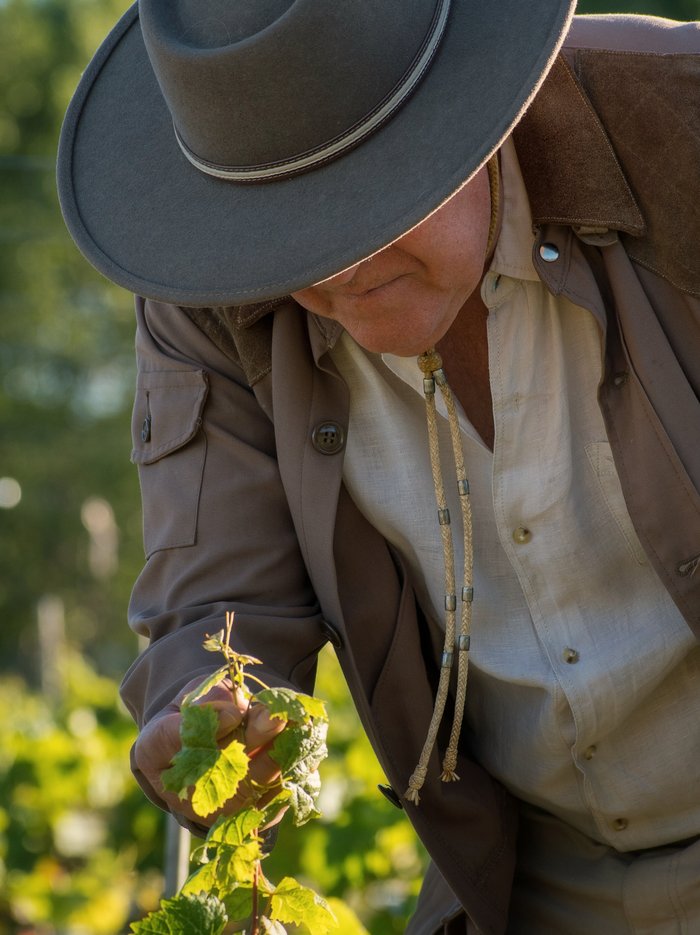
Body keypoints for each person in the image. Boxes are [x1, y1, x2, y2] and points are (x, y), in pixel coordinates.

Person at [57, 1, 700, 932]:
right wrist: (208, 708)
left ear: (476, 108)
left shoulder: (675, 127)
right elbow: (220, 601)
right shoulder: (206, 291)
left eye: (373, 193)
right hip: (531, 885)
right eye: (282, 232)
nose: (335, 272)